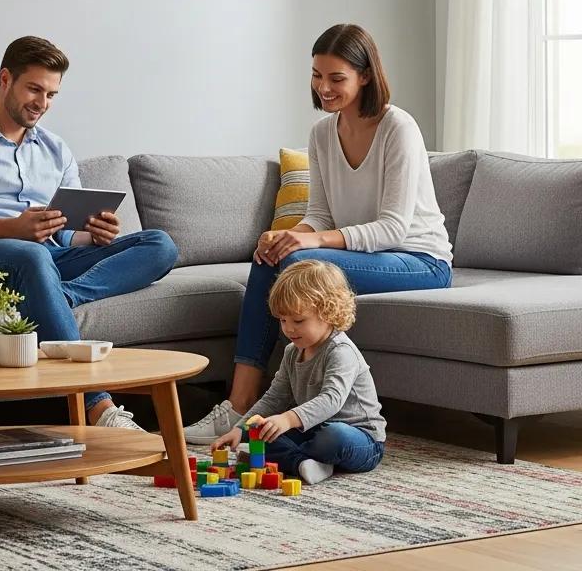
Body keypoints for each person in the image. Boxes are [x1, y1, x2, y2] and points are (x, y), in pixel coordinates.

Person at [185, 23, 452, 444]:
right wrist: (289, 235)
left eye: (336, 78)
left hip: (419, 261)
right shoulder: (322, 134)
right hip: (368, 256)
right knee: (272, 256)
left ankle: (241, 406)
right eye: (317, 75)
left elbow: (394, 227)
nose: (323, 87)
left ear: (365, 75)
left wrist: (312, 241)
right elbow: (320, 213)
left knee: (293, 260)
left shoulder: (398, 127)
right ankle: (238, 405)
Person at [0, 35, 178, 429]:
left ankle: (57, 295)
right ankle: (99, 407)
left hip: (48, 257)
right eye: (34, 89)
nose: (42, 103)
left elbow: (66, 234)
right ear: (5, 79)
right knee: (32, 254)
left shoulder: (56, 149)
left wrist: (92, 234)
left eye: (52, 94)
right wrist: (15, 228)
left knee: (159, 243)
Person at [212, 259, 385, 484]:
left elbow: (331, 400)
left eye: (298, 320)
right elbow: (274, 399)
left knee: (333, 436)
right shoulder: (292, 352)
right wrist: (241, 429)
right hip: (311, 431)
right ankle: (303, 464)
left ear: (328, 312)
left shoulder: (341, 351)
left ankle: (296, 456)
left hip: (360, 439)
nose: (289, 328)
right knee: (265, 433)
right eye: (283, 320)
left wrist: (287, 419)